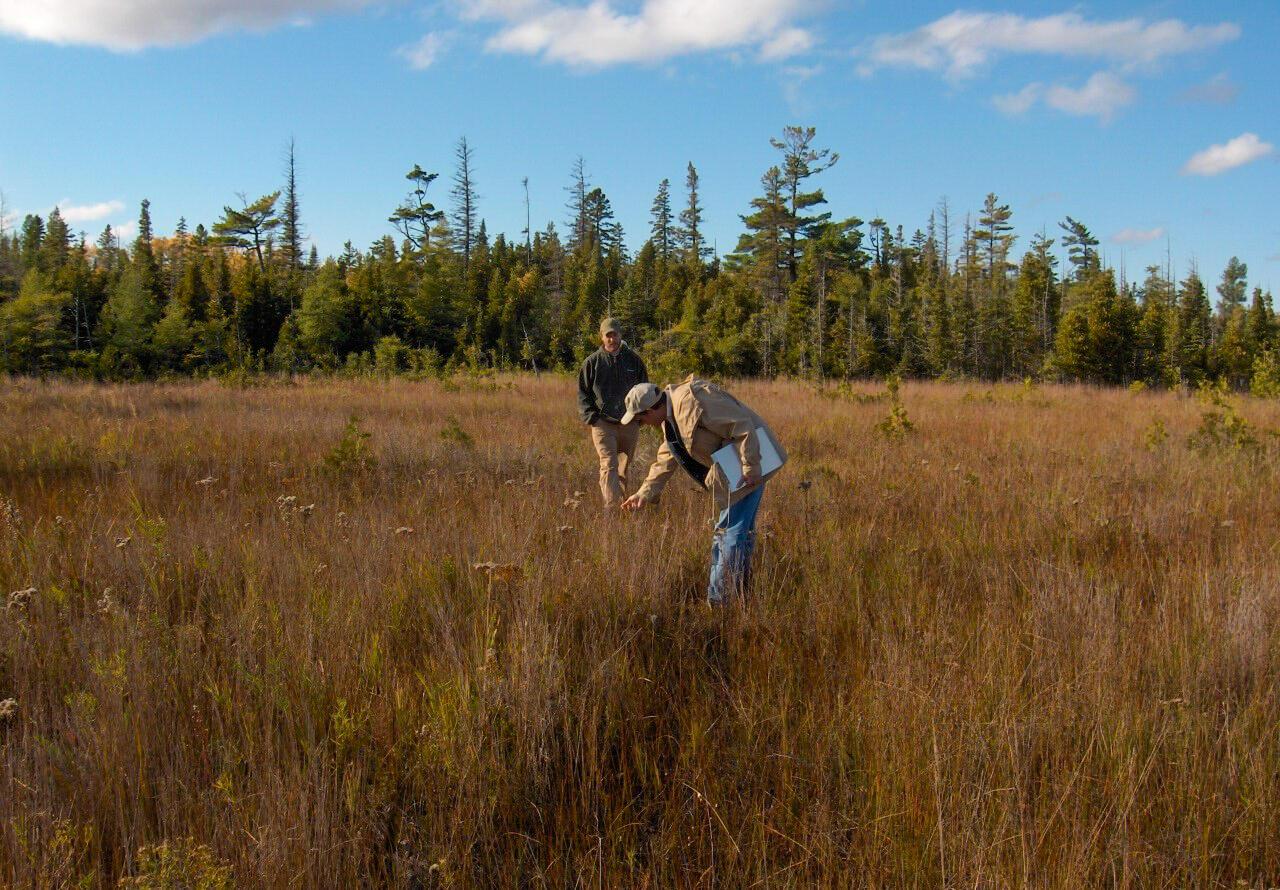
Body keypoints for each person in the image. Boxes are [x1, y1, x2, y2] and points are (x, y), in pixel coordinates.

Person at [620, 376, 787, 605]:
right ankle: (740, 590)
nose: (643, 425)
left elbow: (741, 424)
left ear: (650, 410)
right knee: (735, 533)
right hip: (736, 469)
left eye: (641, 419)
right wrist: (644, 493)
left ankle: (719, 602)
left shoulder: (695, 401)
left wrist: (750, 466)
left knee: (730, 534)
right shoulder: (670, 418)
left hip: (748, 466)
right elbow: (667, 457)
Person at [577, 318, 648, 508]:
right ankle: (612, 509)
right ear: (602, 337)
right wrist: (592, 418)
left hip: (629, 423)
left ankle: (623, 506)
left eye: (615, 334)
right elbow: (583, 393)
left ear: (620, 335)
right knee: (609, 464)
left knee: (624, 467)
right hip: (603, 424)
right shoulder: (592, 362)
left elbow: (644, 390)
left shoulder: (634, 360)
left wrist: (639, 418)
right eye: (608, 335)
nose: (612, 339)